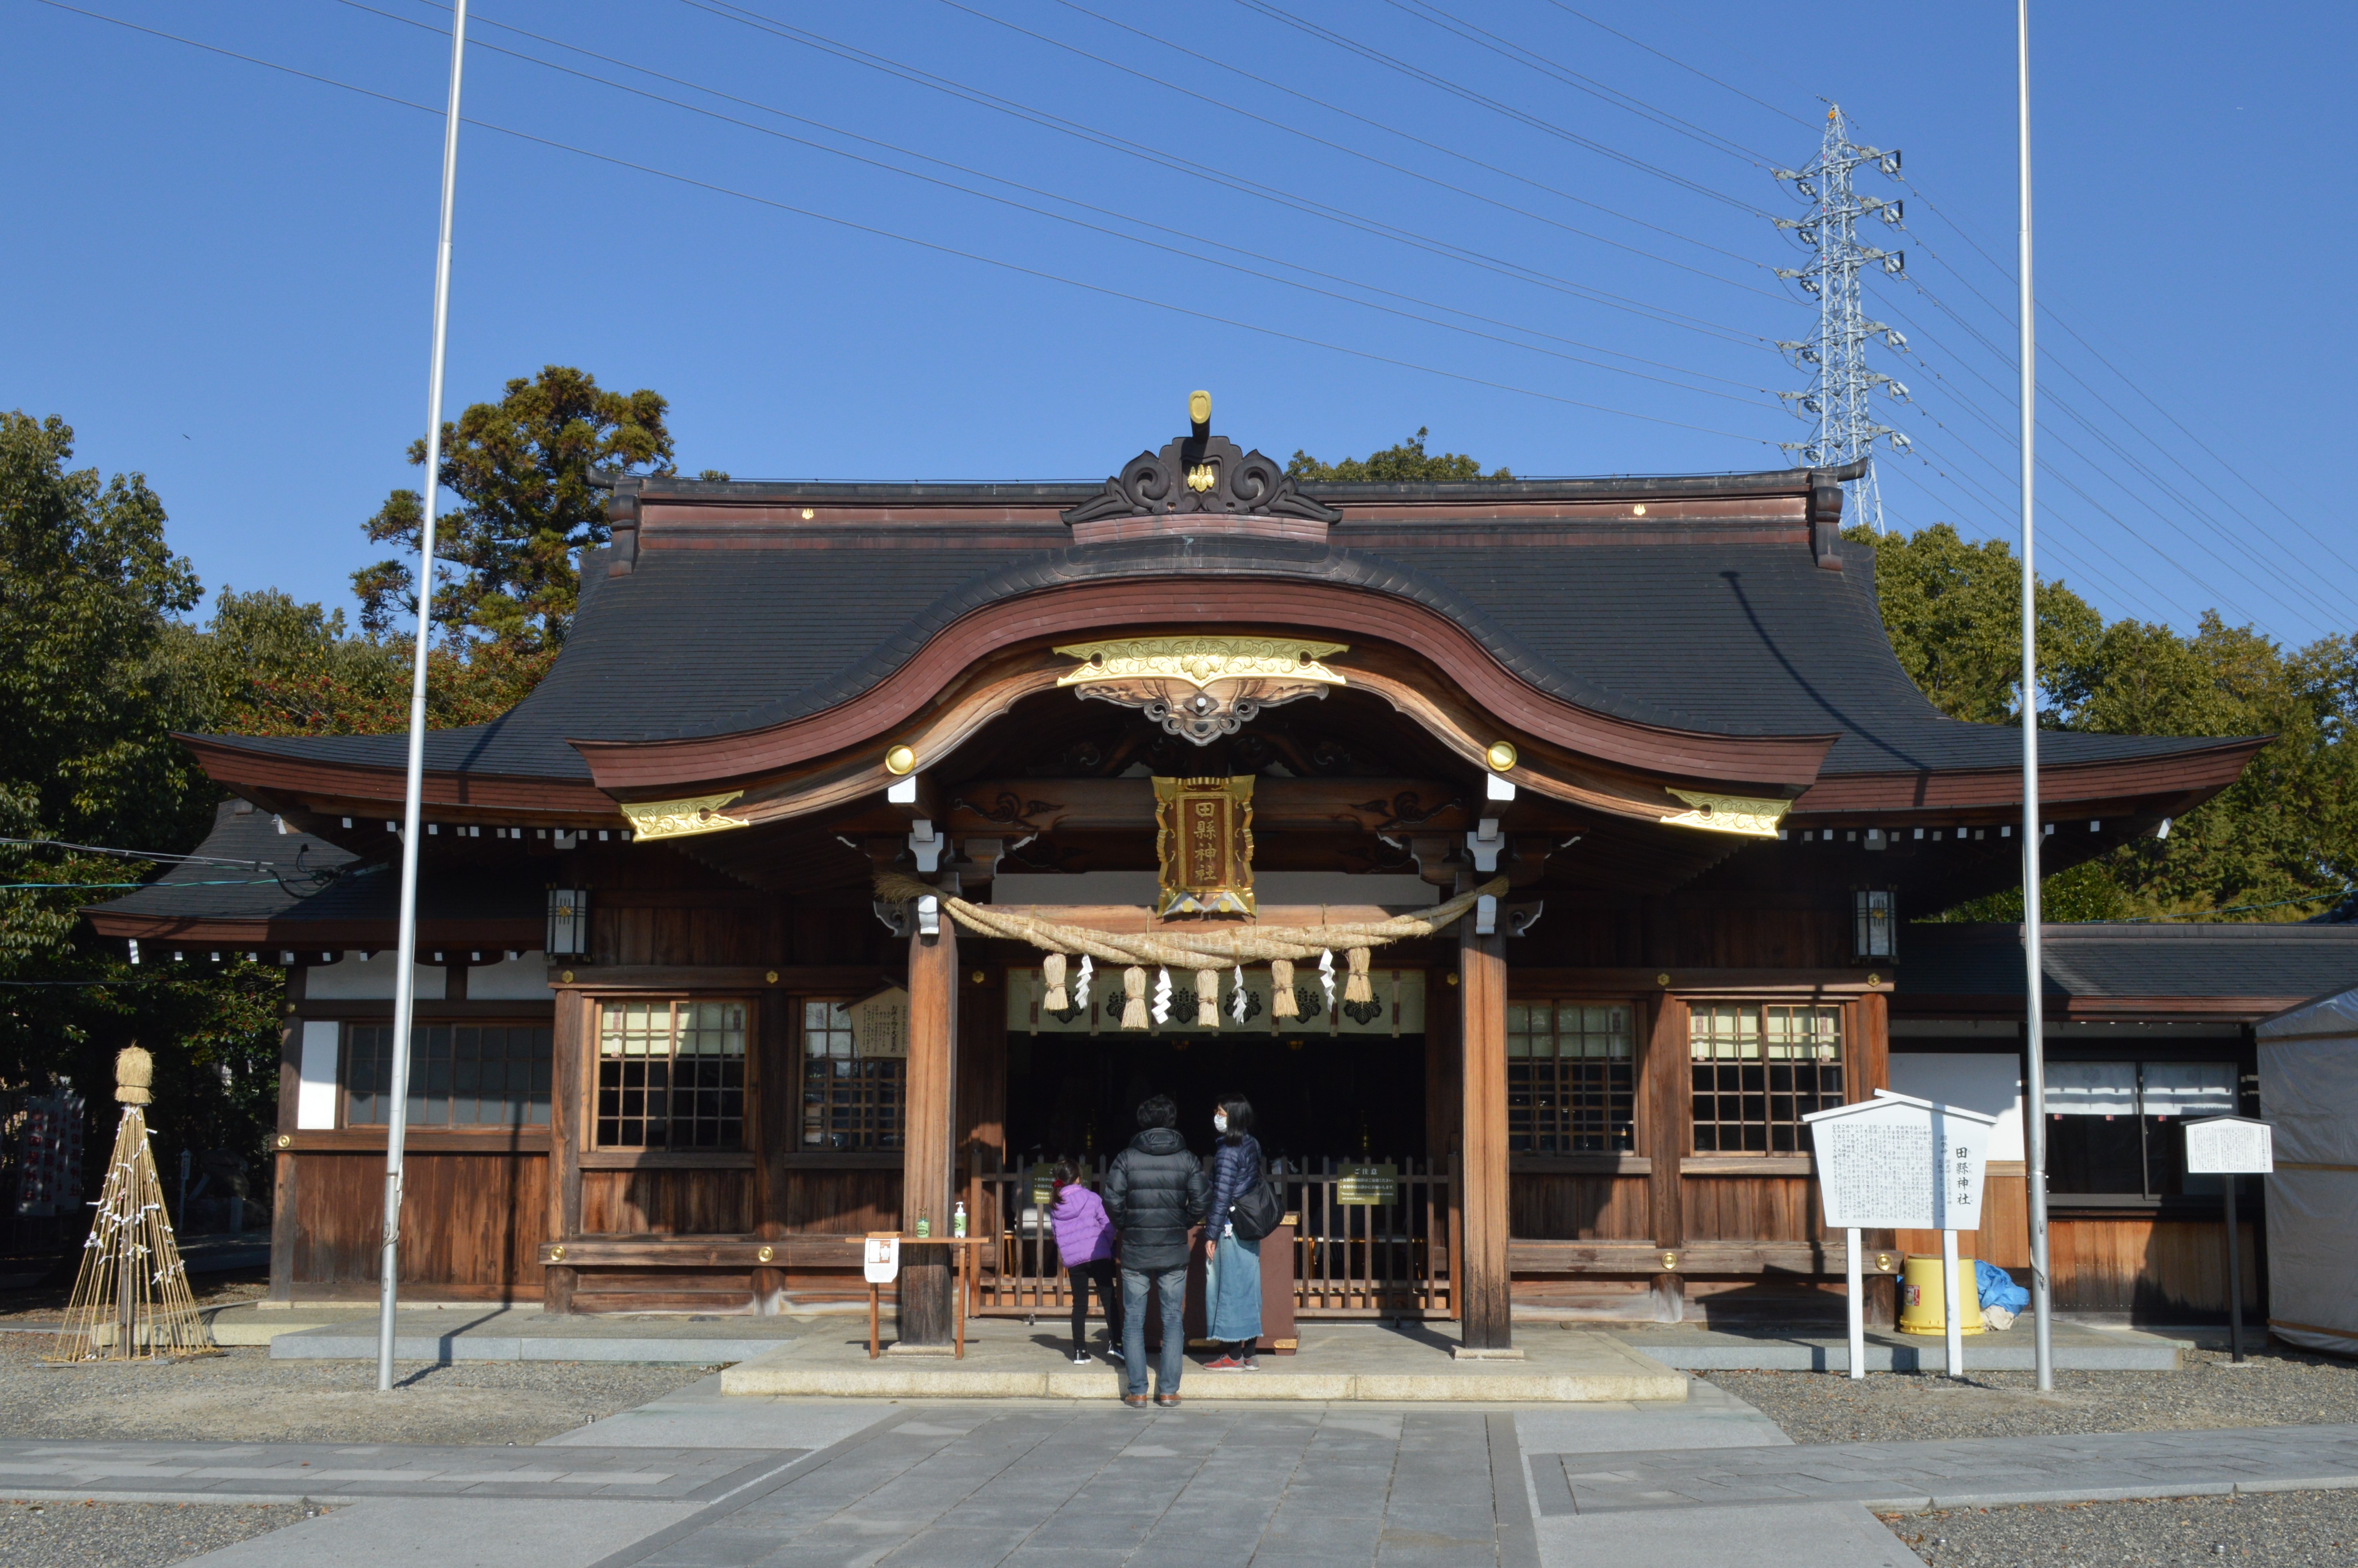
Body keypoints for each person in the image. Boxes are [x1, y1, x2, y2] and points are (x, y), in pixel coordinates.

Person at [1102, 1093, 1208, 1408]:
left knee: (1133, 1319)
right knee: (1173, 1318)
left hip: (1135, 1248)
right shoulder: (1186, 1158)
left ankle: (1137, 1391)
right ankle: (1168, 1390)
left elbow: (1111, 1200)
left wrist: (1126, 1224)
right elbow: (1202, 1200)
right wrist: (1182, 1221)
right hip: (1173, 1248)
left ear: (1142, 1122)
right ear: (1172, 1121)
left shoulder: (1126, 1157)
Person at [1201, 1094, 1265, 1371]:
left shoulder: (1228, 1151)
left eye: (1221, 1112)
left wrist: (1211, 1233)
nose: (1217, 1116)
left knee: (1228, 1287)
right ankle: (1250, 1352)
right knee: (1248, 1286)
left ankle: (1233, 1353)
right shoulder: (1251, 1143)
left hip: (1230, 1227)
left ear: (1233, 1117)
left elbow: (1221, 1195)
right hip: (1249, 1225)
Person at [1046, 1160, 1122, 1365]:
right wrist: (1105, 1246)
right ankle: (1117, 1344)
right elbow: (1108, 1225)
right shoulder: (1092, 1198)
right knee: (1109, 1300)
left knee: (1080, 1305)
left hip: (1074, 1261)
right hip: (1098, 1255)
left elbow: (1056, 1234)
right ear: (1078, 1178)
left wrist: (1068, 1253)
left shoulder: (1055, 1204)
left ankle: (1080, 1351)